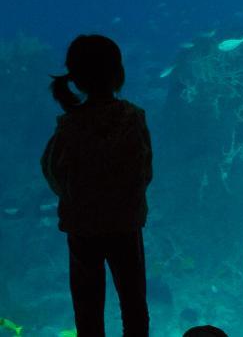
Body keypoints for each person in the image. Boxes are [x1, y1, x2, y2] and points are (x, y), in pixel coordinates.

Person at [41, 34, 153, 337]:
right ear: (118, 73)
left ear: (75, 79)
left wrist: (74, 195)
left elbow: (52, 169)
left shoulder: (69, 124)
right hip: (126, 226)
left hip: (83, 228)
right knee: (134, 305)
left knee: (87, 309)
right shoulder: (132, 117)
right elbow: (145, 170)